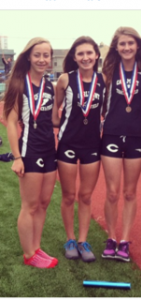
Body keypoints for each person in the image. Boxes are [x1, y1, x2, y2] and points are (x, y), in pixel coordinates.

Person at [100, 27, 141, 262]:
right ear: (116, 47)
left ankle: (124, 241)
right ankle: (111, 238)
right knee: (112, 192)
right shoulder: (109, 71)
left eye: (130, 43)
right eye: (122, 44)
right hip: (111, 134)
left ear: (138, 45)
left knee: (130, 192)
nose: (126, 48)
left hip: (135, 136)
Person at [3, 37, 58, 268]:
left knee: (44, 203)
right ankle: (28, 254)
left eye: (46, 55)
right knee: (30, 205)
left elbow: (52, 119)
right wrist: (17, 157)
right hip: (29, 150)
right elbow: (11, 121)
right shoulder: (19, 84)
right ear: (29, 57)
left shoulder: (48, 85)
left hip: (49, 149)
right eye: (37, 55)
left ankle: (36, 248)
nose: (42, 59)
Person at [52, 36, 105, 262]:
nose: (85, 57)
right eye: (80, 54)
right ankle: (70, 239)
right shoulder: (65, 79)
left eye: (89, 53)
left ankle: (83, 241)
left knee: (85, 195)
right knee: (68, 195)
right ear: (74, 57)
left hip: (93, 144)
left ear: (96, 56)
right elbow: (56, 107)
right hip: (68, 143)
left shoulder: (104, 80)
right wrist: (52, 124)